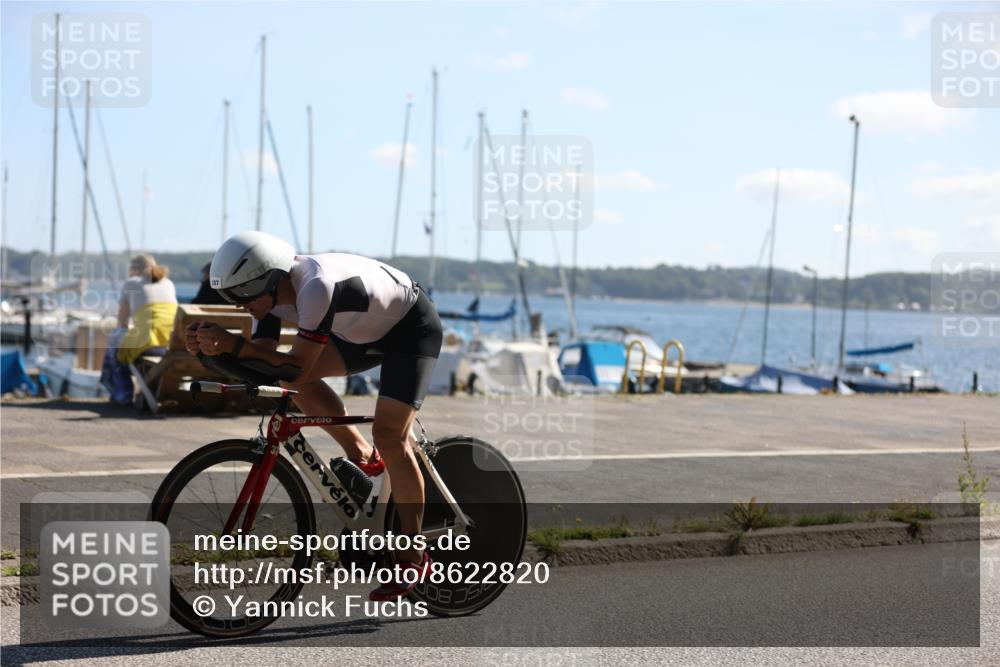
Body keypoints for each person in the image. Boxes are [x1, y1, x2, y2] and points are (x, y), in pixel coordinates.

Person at [185, 231, 443, 601]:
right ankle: (364, 459)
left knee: (390, 436)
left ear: (270, 281)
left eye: (243, 297)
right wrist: (213, 350)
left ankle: (413, 556)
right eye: (231, 298)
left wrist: (233, 345)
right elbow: (263, 355)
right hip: (358, 333)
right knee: (293, 378)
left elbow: (295, 367)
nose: (240, 306)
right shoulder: (268, 299)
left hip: (410, 329)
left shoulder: (315, 288)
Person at [116, 254, 178, 363]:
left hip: (149, 343)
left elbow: (121, 323)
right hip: (173, 342)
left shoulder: (132, 282)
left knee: (114, 344)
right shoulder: (169, 283)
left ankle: (119, 380)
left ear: (135, 269)